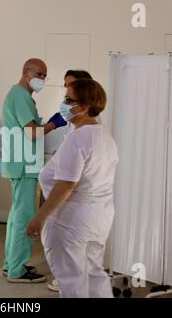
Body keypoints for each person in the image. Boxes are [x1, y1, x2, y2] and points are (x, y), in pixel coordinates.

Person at [27, 79, 119, 297]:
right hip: (98, 218)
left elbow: (66, 184)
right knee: (93, 279)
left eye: (69, 100)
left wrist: (40, 217)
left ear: (85, 106)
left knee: (72, 285)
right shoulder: (105, 136)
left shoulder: (78, 138)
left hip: (72, 222)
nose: (64, 104)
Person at [1, 58, 67, 283]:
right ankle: (17, 270)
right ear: (26, 72)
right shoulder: (20, 95)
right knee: (24, 217)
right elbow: (32, 133)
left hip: (20, 163)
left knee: (16, 215)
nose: (42, 80)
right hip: (24, 164)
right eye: (40, 75)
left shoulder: (20, 96)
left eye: (45, 76)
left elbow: (29, 130)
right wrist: (54, 124)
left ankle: (11, 264)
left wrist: (47, 125)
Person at [47, 69, 93, 293]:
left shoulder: (87, 127)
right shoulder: (73, 123)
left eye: (70, 87)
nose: (66, 91)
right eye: (65, 86)